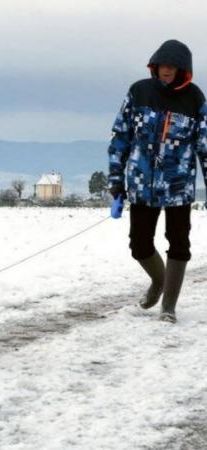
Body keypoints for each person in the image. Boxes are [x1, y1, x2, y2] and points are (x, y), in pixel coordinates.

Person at [107, 39, 207, 323]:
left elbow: (205, 146)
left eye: (172, 66)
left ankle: (169, 307)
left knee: (179, 243)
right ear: (156, 65)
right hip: (141, 184)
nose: (167, 70)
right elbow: (120, 138)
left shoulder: (194, 98)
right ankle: (159, 281)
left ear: (182, 70)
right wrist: (116, 182)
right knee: (139, 244)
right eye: (163, 65)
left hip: (178, 187)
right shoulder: (138, 92)